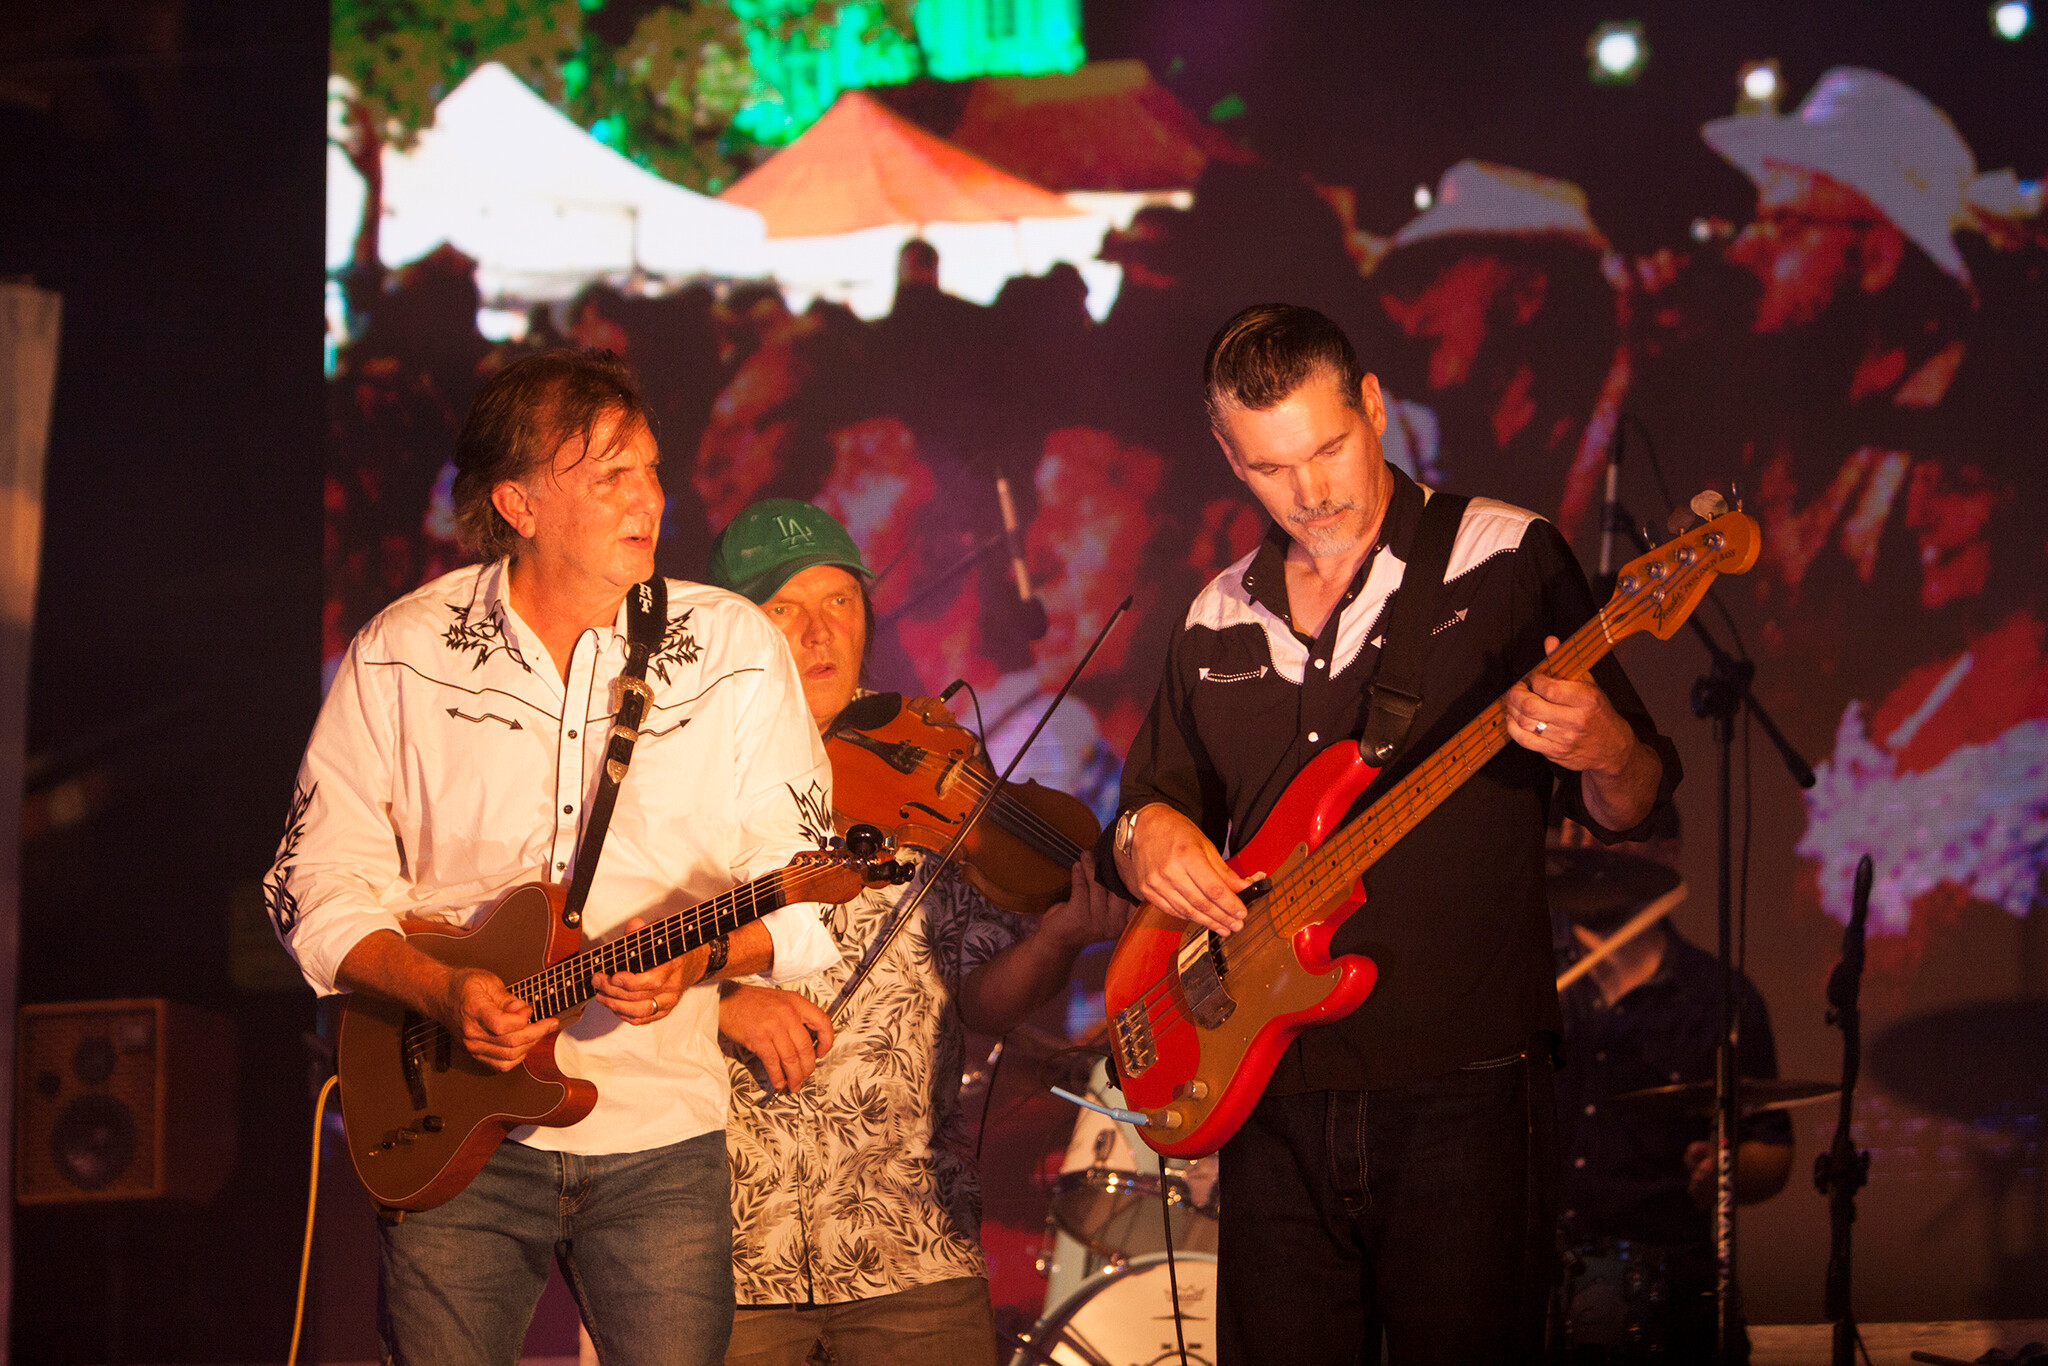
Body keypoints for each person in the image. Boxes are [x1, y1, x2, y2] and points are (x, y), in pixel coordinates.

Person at [1098, 303, 1681, 1363]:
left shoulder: (1504, 555)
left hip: (1465, 1084)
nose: (1310, 492)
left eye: (1328, 448)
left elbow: (1632, 800)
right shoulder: (1213, 616)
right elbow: (1142, 810)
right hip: (1268, 1091)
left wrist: (1603, 747)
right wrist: (1151, 836)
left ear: (1372, 405)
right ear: (1227, 456)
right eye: (1272, 467)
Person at [267, 350, 842, 1366]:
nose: (647, 498)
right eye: (610, 475)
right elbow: (311, 881)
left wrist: (701, 960)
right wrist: (443, 992)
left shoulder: (734, 648)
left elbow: (808, 890)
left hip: (660, 1137)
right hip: (447, 1126)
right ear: (517, 503)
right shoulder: (402, 651)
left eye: (651, 469)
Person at [702, 499, 1131, 1366]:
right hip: (727, 1251)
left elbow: (982, 996)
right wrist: (725, 1003)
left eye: (840, 601)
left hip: (913, 1242)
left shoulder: (927, 757)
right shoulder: (676, 768)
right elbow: (597, 957)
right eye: (783, 607)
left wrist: (1054, 942)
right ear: (729, 631)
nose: (819, 633)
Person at [1548, 814, 1793, 1363]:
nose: (1589, 848)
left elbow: (1773, 1148)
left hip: (1669, 1279)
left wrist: (1727, 1169)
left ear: (1668, 851)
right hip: (1531, 1274)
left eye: (1611, 830)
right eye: (1574, 832)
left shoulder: (1721, 997)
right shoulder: (1521, 978)